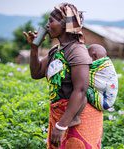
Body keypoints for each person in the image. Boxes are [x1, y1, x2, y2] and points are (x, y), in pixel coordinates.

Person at [24, 3, 103, 149]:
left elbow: (80, 90)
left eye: (51, 21)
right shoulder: (57, 50)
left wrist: (61, 126)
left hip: (78, 118)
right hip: (63, 117)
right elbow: (36, 73)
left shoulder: (76, 51)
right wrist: (34, 47)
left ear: (65, 24)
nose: (47, 26)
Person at [69, 44, 118, 127]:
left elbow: (84, 71)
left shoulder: (99, 65)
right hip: (108, 100)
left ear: (94, 56)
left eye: (87, 56)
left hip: (104, 102)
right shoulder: (105, 65)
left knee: (81, 91)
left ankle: (76, 118)